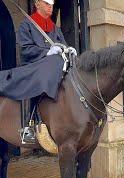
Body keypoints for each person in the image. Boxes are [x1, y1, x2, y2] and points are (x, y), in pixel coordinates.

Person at [18, 0, 76, 142]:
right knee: (40, 77)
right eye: (46, 3)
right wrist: (47, 52)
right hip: (34, 65)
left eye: (52, 4)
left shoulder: (55, 29)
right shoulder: (26, 25)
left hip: (54, 67)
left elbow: (63, 46)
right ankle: (29, 126)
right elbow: (25, 50)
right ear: (37, 4)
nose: (50, 7)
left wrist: (69, 50)